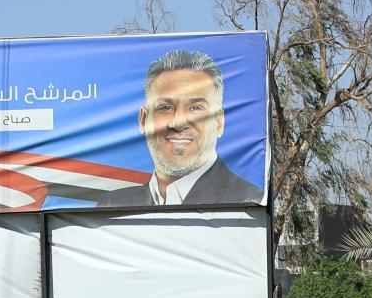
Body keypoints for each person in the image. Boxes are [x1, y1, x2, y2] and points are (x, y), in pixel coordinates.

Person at [98, 49, 262, 207]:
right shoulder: (112, 205)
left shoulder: (249, 201)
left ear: (219, 122)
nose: (178, 122)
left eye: (196, 108)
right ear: (143, 120)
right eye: (165, 108)